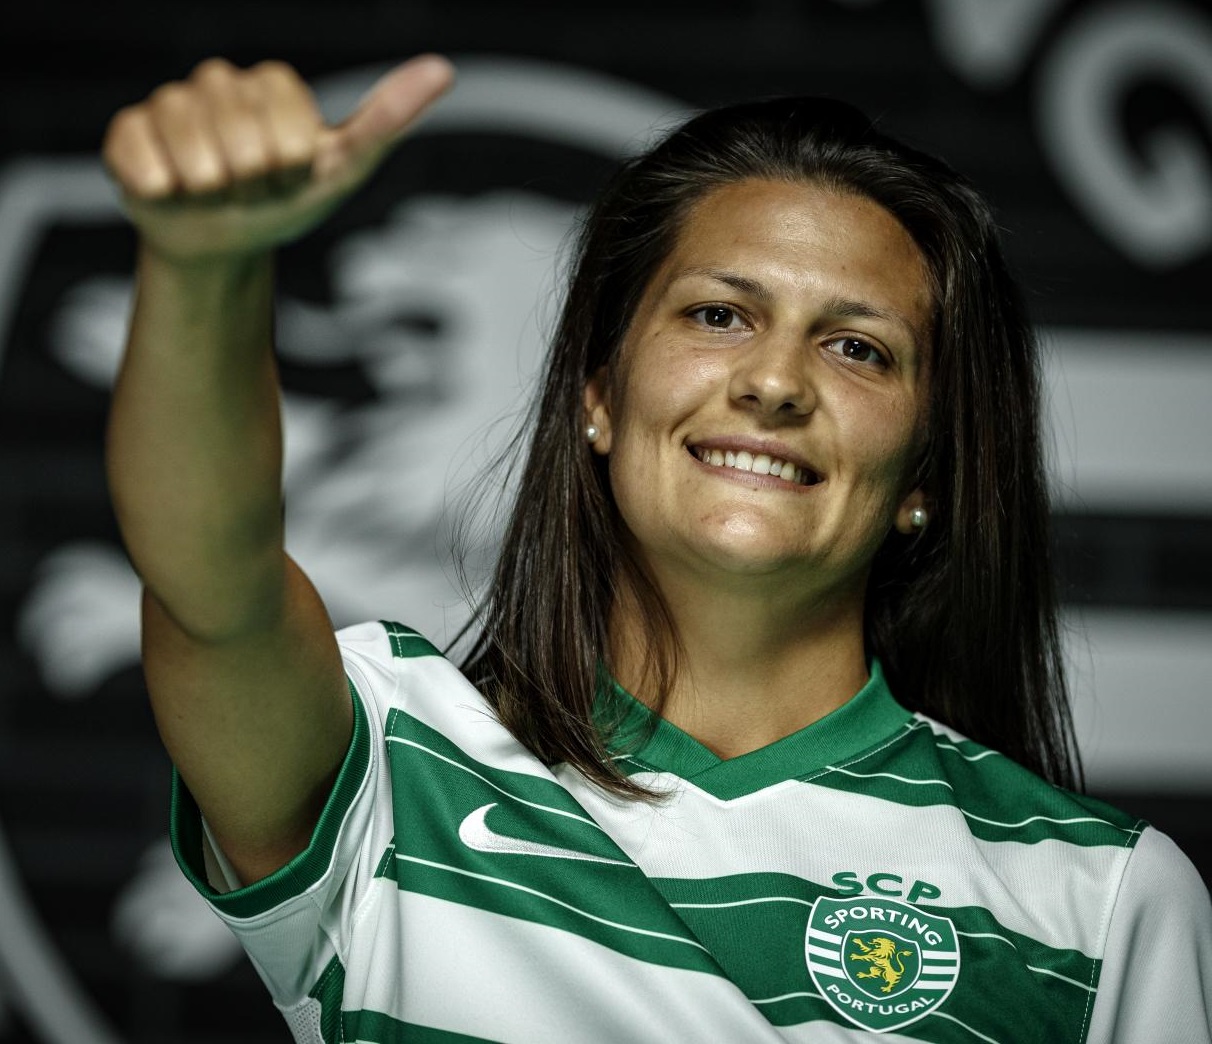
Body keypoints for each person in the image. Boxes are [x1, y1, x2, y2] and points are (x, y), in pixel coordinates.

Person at [102, 54, 1211, 1043]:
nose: (774, 381)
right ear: (597, 393)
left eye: (857, 347)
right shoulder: (389, 768)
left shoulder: (1104, 903)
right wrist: (205, 269)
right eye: (718, 315)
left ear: (925, 475)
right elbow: (212, 581)